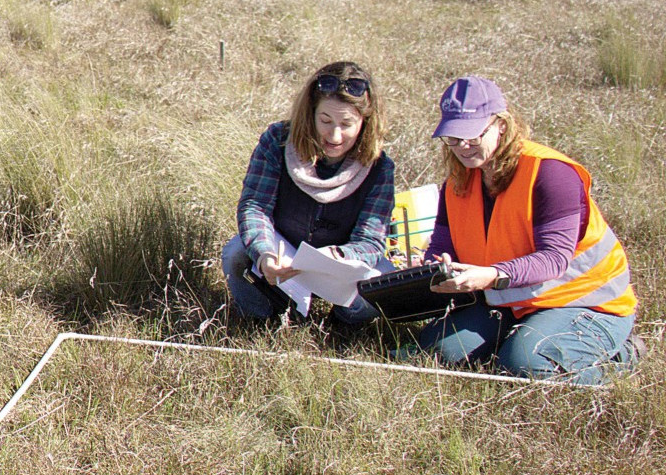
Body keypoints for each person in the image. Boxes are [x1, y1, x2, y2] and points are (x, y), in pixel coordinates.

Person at [412, 76, 641, 384]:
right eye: (452, 138)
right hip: (507, 300)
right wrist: (434, 268)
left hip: (586, 302)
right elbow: (443, 244)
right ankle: (520, 341)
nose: (462, 147)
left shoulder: (551, 174)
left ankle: (622, 357)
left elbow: (554, 259)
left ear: (502, 125)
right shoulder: (456, 184)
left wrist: (491, 275)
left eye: (473, 135)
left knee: (525, 365)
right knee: (434, 355)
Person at [221, 61, 396, 327]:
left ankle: (340, 325)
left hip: (339, 264)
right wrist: (266, 254)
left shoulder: (380, 168)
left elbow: (371, 241)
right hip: (282, 254)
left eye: (347, 123)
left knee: (385, 284)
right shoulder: (277, 142)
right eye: (325, 121)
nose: (335, 135)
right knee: (236, 253)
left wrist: (338, 257)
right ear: (310, 113)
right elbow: (255, 207)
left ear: (366, 122)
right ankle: (261, 317)